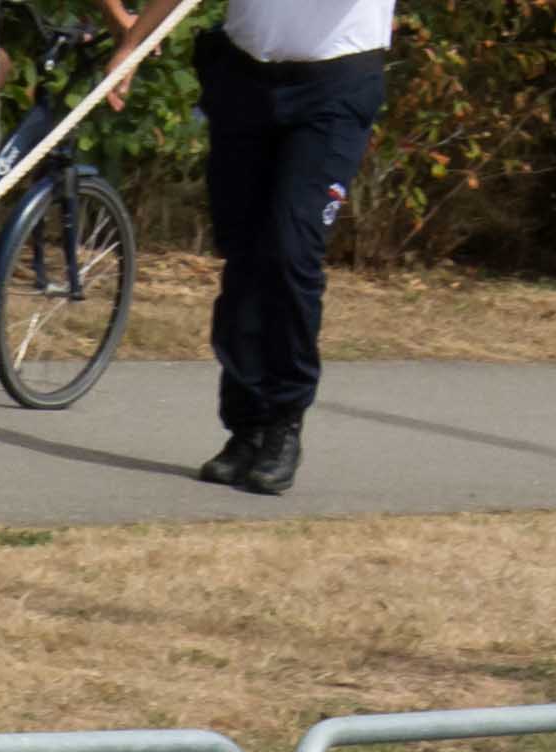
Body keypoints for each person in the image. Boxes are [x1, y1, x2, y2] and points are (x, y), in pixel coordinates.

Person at [104, 0, 385, 493]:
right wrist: (132, 43)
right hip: (245, 80)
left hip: (333, 85)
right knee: (244, 256)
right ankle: (246, 426)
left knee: (291, 251)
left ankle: (283, 422)